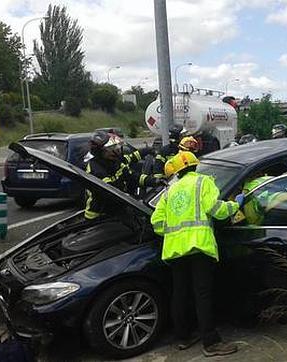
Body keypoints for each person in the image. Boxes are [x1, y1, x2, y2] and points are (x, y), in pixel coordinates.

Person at [151, 151, 241, 357]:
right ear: (195, 166)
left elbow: (156, 222)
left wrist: (175, 231)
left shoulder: (169, 191)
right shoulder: (203, 182)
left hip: (175, 249)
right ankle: (211, 343)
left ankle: (183, 338)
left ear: (178, 171)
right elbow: (216, 209)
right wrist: (236, 204)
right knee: (203, 294)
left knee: (180, 293)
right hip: (199, 246)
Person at [84, 131, 153, 219]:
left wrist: (154, 181)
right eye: (111, 147)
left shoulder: (114, 162)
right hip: (99, 216)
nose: (116, 149)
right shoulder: (96, 170)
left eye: (116, 146)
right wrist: (131, 199)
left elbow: (132, 176)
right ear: (99, 151)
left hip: (116, 211)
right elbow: (111, 194)